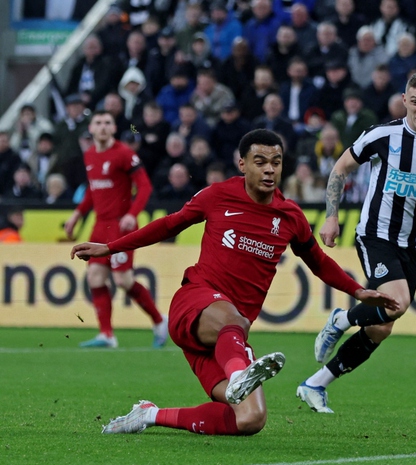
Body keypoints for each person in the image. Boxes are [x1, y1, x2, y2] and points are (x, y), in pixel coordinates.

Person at [70, 129, 397, 436]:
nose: (269, 170)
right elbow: (170, 225)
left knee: (250, 419)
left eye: (276, 162)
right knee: (232, 318)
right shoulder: (218, 195)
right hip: (196, 305)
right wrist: (111, 247)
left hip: (229, 338)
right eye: (260, 162)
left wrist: (357, 290)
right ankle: (240, 372)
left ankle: (149, 414)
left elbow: (319, 263)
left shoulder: (290, 217)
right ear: (242, 164)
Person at [297, 72, 416, 413]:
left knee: (382, 327)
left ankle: (316, 384)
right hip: (375, 234)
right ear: (404, 100)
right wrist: (331, 215)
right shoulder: (382, 134)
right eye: (415, 102)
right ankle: (340, 321)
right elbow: (340, 168)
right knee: (396, 303)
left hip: (413, 242)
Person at [63, 111, 166, 349]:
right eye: (98, 123)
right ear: (90, 127)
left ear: (113, 127)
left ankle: (160, 321)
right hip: (100, 225)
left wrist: (132, 214)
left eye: (107, 123)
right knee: (95, 276)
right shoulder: (89, 155)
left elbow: (145, 187)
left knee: (122, 280)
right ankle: (107, 334)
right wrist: (78, 214)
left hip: (121, 226)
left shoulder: (124, 154)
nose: (102, 127)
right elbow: (93, 189)